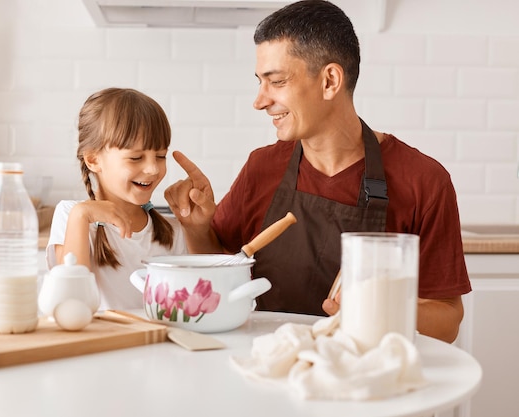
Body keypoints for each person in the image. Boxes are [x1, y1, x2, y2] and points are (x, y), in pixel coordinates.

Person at [164, 0, 470, 343]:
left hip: (362, 381)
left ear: (329, 81)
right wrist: (197, 227)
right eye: (260, 82)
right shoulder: (261, 167)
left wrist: (378, 304)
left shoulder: (423, 181)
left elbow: (446, 322)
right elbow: (221, 273)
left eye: (276, 81)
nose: (260, 100)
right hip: (262, 368)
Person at [47, 87, 187, 310]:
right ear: (93, 159)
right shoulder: (73, 216)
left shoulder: (173, 233)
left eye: (160, 156)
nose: (152, 169)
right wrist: (82, 215)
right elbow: (72, 303)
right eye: (135, 158)